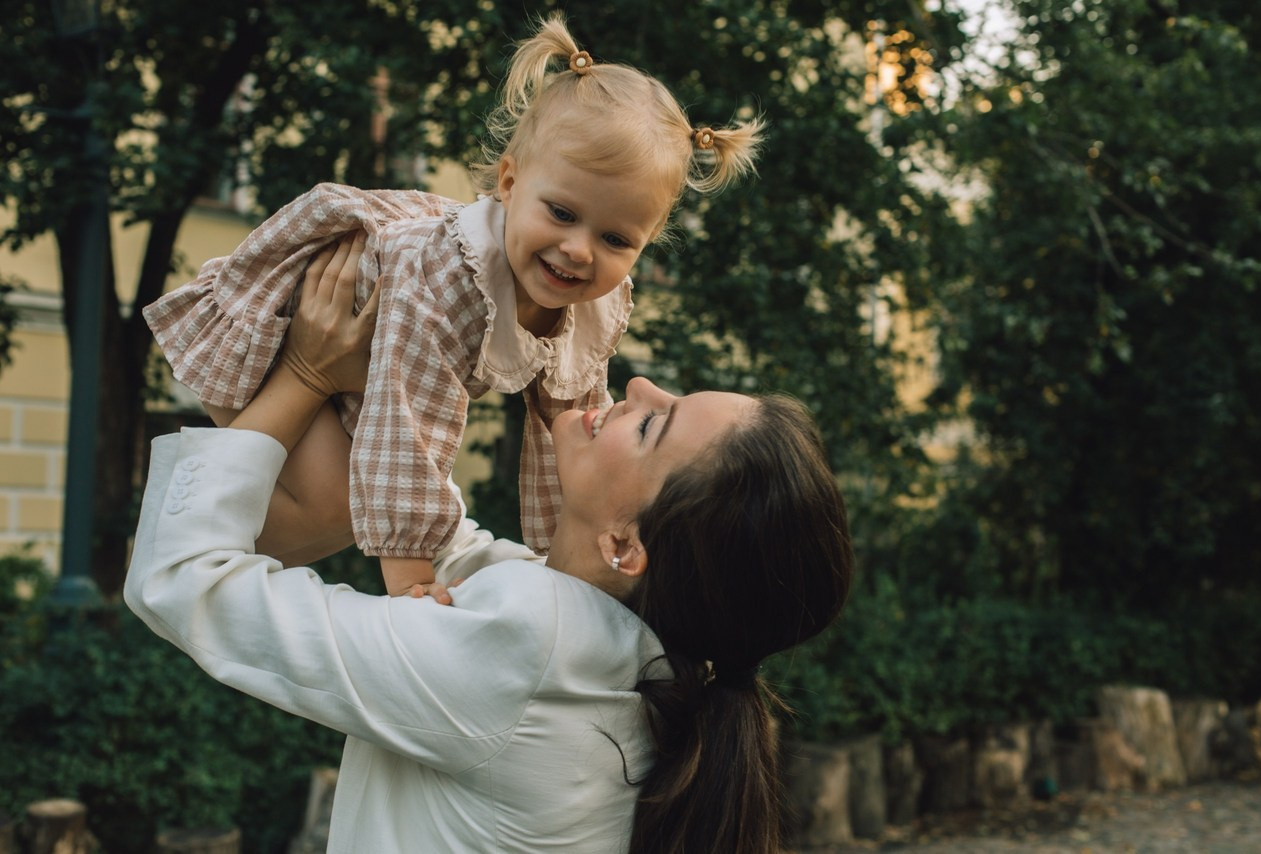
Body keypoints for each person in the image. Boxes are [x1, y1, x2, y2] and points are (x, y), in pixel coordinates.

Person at [126, 234, 853, 851]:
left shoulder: (525, 650)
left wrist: (306, 373)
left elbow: (184, 580)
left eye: (654, 425)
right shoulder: (612, 656)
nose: (640, 386)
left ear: (626, 546)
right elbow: (424, 525)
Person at [142, 13, 764, 596]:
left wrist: (564, 569)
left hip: (354, 376)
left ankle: (188, 528)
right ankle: (178, 535)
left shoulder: (593, 307)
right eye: (562, 214)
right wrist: (411, 580)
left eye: (615, 239)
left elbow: (572, 434)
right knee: (335, 507)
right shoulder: (449, 281)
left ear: (646, 245)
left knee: (340, 509)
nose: (578, 250)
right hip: (284, 316)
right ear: (510, 183)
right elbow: (409, 426)